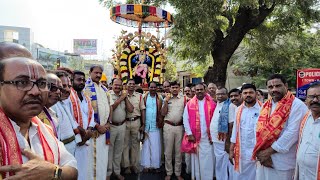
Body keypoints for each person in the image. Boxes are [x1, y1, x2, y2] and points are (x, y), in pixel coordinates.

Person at [0, 57, 77, 179]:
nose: (35, 92)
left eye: (41, 83)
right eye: (22, 82)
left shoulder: (45, 130)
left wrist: (54, 172)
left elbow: (73, 168)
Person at [252, 74, 308, 180]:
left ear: (286, 86)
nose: (274, 89)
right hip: (263, 160)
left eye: (278, 86)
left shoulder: (297, 105)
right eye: (270, 87)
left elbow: (292, 133)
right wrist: (260, 153)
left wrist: (267, 153)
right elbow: (258, 129)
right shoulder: (266, 105)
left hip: (282, 162)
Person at [182, 83, 216, 180]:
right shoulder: (190, 104)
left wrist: (213, 135)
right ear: (195, 91)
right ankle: (198, 177)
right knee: (196, 160)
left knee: (208, 160)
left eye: (201, 89)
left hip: (207, 138)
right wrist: (189, 134)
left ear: (205, 90)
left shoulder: (212, 103)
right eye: (197, 90)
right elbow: (185, 119)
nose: (199, 91)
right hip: (195, 138)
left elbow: (215, 120)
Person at [229, 84, 262, 180]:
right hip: (241, 151)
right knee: (240, 175)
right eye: (245, 93)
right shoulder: (238, 110)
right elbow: (235, 130)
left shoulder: (263, 109)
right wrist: (231, 150)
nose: (248, 95)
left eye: (251, 92)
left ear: (256, 94)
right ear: (241, 95)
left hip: (256, 151)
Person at [85, 65, 112, 180]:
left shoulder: (104, 89)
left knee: (102, 159)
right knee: (92, 161)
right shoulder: (86, 89)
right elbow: (85, 111)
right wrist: (97, 126)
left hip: (104, 130)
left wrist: (108, 123)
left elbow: (109, 107)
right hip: (94, 132)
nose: (98, 75)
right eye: (96, 72)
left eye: (100, 73)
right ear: (90, 72)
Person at [70, 70, 96, 180]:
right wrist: (82, 132)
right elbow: (69, 117)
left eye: (83, 80)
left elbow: (91, 113)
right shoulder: (68, 97)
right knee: (74, 168)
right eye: (78, 80)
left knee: (85, 167)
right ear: (72, 81)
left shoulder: (85, 97)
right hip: (75, 137)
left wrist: (89, 130)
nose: (82, 82)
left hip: (86, 137)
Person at [107, 78, 133, 180]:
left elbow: (131, 110)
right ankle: (108, 172)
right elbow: (111, 108)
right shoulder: (108, 94)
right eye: (115, 85)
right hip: (112, 126)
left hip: (122, 126)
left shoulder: (124, 96)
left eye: (119, 85)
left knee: (118, 150)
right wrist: (121, 98)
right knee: (110, 150)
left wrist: (125, 98)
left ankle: (117, 172)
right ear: (112, 85)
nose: (117, 87)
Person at [294, 83, 320, 180]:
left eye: (318, 96)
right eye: (311, 97)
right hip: (303, 174)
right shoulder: (305, 117)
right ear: (306, 99)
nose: (315, 100)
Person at [161, 81, 185, 180]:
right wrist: (166, 101)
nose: (174, 89)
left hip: (179, 127)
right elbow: (163, 113)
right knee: (168, 151)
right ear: (170, 88)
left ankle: (178, 173)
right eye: (173, 87)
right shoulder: (166, 99)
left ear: (179, 88)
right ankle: (169, 172)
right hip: (168, 126)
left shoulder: (184, 99)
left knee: (178, 151)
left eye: (176, 87)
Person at [51, 71, 79, 155]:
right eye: (63, 86)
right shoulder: (52, 107)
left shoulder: (63, 103)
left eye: (69, 86)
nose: (67, 90)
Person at [210, 87, 234, 180]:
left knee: (227, 163)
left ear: (227, 95)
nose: (219, 96)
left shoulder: (230, 106)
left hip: (225, 141)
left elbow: (231, 125)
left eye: (222, 94)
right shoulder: (217, 104)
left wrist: (228, 142)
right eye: (218, 94)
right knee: (219, 162)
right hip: (216, 140)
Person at [123, 79, 146, 174]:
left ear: (135, 86)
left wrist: (143, 124)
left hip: (136, 122)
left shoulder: (139, 96)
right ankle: (126, 166)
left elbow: (142, 110)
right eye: (130, 84)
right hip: (125, 122)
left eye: (133, 84)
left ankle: (134, 165)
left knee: (135, 145)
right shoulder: (122, 96)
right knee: (125, 145)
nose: (131, 85)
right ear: (126, 85)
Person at [141, 81, 163, 173]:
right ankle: (146, 165)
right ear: (148, 88)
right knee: (146, 146)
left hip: (155, 125)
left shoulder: (160, 98)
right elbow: (142, 110)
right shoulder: (144, 97)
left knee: (155, 145)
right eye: (151, 87)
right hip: (146, 125)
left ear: (156, 88)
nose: (153, 89)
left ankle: (155, 165)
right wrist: (142, 124)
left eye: (154, 87)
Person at [38, 73, 62, 137]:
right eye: (53, 88)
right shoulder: (32, 113)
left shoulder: (52, 112)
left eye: (60, 89)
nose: (58, 92)